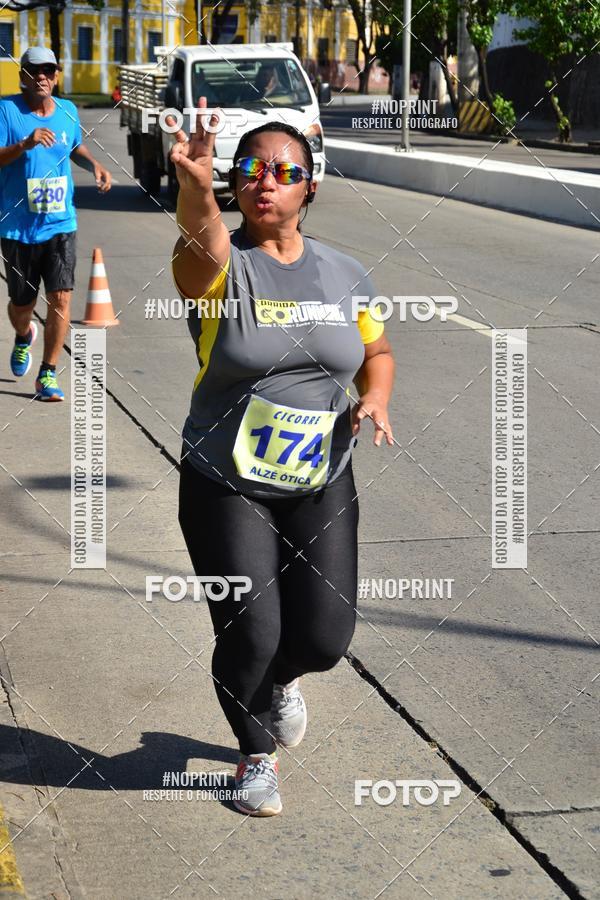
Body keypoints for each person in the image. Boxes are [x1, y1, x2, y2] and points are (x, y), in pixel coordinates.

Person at [170, 99, 394, 817]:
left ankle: (280, 682)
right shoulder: (222, 270)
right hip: (226, 481)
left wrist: (376, 397)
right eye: (251, 171)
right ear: (237, 186)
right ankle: (253, 757)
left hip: (321, 475)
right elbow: (198, 240)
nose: (266, 182)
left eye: (284, 171)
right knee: (253, 630)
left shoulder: (345, 273)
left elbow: (378, 351)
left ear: (309, 186)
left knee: (325, 638)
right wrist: (198, 186)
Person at [0, 46, 112, 401]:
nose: (43, 77)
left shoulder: (67, 111)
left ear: (56, 75)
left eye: (49, 70)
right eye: (35, 71)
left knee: (61, 298)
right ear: (23, 76)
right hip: (17, 225)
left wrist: (93, 164)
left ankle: (47, 374)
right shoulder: (6, 110)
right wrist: (24, 144)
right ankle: (23, 335)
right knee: (21, 304)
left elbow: (74, 146)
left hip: (60, 224)